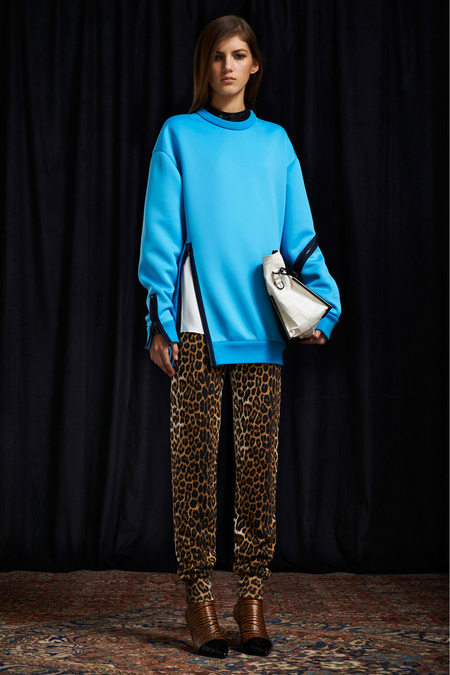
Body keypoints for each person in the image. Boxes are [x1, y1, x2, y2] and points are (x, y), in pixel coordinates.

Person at [138, 15, 341, 659]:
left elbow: (299, 234)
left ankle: (251, 599)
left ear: (254, 65)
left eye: (238, 55)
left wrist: (323, 309)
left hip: (260, 328)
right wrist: (158, 322)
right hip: (196, 329)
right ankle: (199, 600)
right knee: (194, 468)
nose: (227, 66)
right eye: (216, 56)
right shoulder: (178, 135)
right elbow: (161, 237)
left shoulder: (276, 143)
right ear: (205, 65)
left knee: (258, 471)